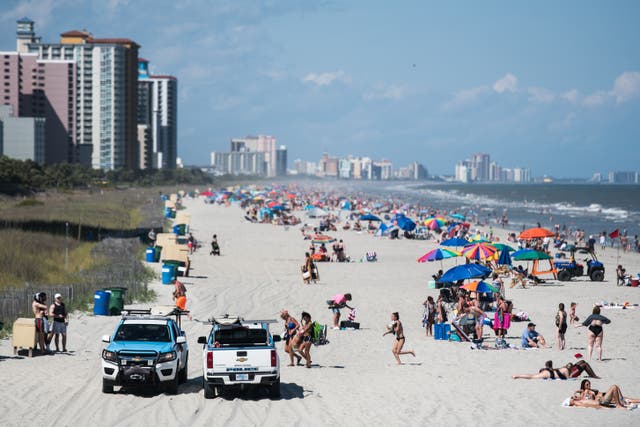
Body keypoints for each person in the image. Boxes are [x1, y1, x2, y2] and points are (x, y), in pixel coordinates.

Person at [571, 380, 640, 409]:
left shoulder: (589, 390)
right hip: (605, 397)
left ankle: (622, 400)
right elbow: (581, 398)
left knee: (629, 399)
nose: (589, 385)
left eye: (589, 384)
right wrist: (576, 392)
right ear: (584, 386)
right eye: (587, 384)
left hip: (606, 395)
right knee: (628, 400)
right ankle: (622, 401)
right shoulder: (585, 391)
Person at [513, 360, 598, 380]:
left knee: (582, 361)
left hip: (566, 371)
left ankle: (592, 375)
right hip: (570, 373)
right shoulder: (565, 370)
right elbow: (569, 378)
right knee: (584, 364)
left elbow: (531, 376)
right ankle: (593, 376)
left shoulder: (548, 371)